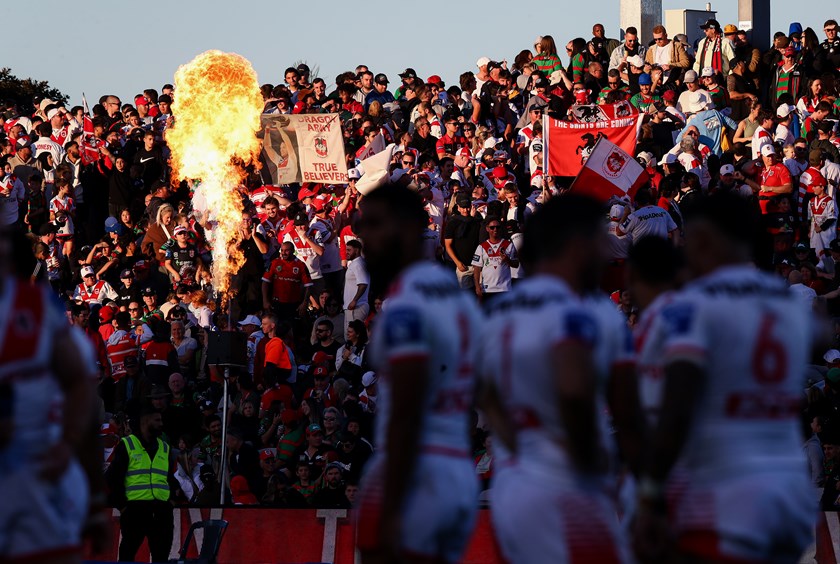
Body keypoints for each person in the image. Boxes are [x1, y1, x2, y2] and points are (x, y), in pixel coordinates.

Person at [634, 192, 814, 563]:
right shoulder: (789, 300)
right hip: (786, 488)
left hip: (723, 493)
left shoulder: (694, 304)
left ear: (703, 238)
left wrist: (650, 493)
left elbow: (678, 404)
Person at [478, 194, 633, 562]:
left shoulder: (501, 313)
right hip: (574, 487)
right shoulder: (595, 311)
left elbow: (487, 396)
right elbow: (608, 399)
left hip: (515, 490)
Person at [356, 185, 482, 563]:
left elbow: (407, 405)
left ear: (410, 228)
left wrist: (395, 496)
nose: (364, 235)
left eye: (375, 224)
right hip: (452, 467)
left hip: (414, 471)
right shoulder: (452, 294)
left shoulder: (407, 304)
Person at [105, 407, 177, 563]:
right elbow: (112, 478)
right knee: (127, 556)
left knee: (161, 557)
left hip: (161, 512)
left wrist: (171, 501)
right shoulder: (127, 444)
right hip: (135, 510)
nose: (161, 423)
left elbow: (170, 478)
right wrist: (123, 506)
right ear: (145, 422)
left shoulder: (165, 447)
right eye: (157, 420)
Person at [471, 217, 519, 302]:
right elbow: (477, 268)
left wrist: (507, 259)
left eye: (497, 227)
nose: (495, 229)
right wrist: (477, 286)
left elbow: (516, 264)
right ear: (487, 229)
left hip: (504, 288)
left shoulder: (508, 245)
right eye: (492, 227)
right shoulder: (481, 247)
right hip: (488, 289)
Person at [343, 239, 370, 332]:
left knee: (353, 336)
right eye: (346, 250)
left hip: (357, 307)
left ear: (357, 250)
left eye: (349, 250)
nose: (346, 252)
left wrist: (354, 300)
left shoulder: (358, 264)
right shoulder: (355, 263)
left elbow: (363, 283)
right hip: (353, 307)